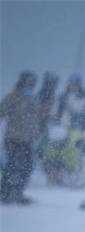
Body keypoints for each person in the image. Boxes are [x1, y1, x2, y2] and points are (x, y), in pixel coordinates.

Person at [0, 71, 40, 205]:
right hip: (14, 138)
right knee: (12, 166)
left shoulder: (34, 99)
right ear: (22, 82)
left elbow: (37, 118)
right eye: (28, 82)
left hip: (28, 140)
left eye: (33, 83)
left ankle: (18, 193)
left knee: (27, 167)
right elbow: (2, 111)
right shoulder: (12, 97)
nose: (30, 85)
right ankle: (5, 193)